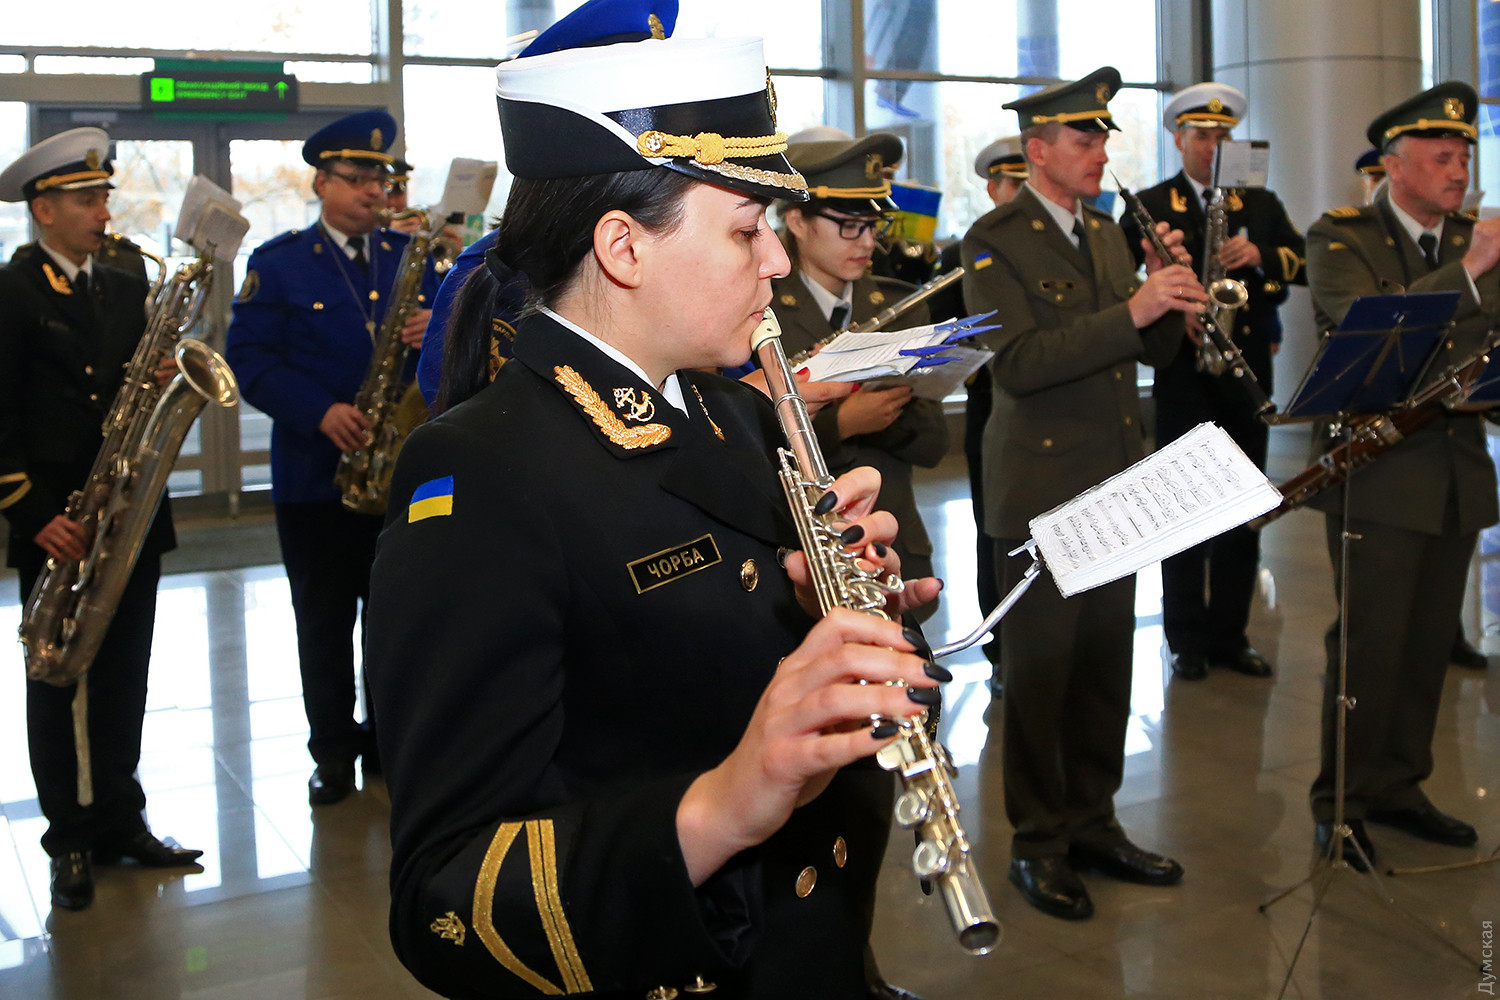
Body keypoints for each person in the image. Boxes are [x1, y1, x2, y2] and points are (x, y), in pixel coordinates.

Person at [365, 3, 947, 997]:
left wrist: (837, 614)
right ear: (623, 247)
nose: (776, 261)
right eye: (748, 229)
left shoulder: (736, 411)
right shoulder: (478, 474)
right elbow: (446, 901)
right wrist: (722, 806)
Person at [961, 66, 1202, 920]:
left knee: (1104, 669)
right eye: (1083, 137)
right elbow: (1020, 364)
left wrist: (1171, 302)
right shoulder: (992, 240)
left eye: (1103, 137)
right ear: (1038, 150)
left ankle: (1095, 821)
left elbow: (1148, 356)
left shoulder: (1104, 233)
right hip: (1041, 489)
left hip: (1113, 482)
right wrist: (1135, 310)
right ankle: (1038, 843)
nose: (1101, 152)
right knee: (1041, 677)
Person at [0, 128, 203, 912]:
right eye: (86, 199)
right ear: (44, 209)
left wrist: (162, 377)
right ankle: (69, 839)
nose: (103, 212)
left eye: (105, 196)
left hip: (129, 512)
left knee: (125, 674)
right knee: (57, 674)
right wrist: (31, 513)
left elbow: (135, 386)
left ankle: (122, 817)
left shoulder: (124, 279)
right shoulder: (12, 290)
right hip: (61, 517)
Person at [1303, 81, 1494, 869]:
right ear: (1393, 165)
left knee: (1426, 647)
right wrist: (1472, 273)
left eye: (1464, 156)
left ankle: (1400, 785)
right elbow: (1366, 331)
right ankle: (1341, 805)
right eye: (1442, 156)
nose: (1459, 170)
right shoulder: (1341, 236)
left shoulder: (1467, 240)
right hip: (1377, 474)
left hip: (1455, 472)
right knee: (1370, 647)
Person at [224, 109, 439, 807]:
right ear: (321, 182)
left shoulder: (413, 258)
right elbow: (250, 361)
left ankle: (386, 743)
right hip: (316, 478)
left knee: (394, 622)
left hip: (399, 477)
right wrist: (319, 411)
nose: (375, 191)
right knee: (322, 623)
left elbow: (458, 357)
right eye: (357, 178)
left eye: (381, 178)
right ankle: (332, 753)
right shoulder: (278, 263)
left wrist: (438, 327)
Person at [1118, 82, 1306, 682]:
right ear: (1178, 139)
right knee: (1179, 507)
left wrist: (1261, 255)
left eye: (1223, 135)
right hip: (1182, 374)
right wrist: (1165, 304)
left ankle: (1231, 634)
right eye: (1201, 135)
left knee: (1244, 506)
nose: (1213, 145)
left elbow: (1302, 260)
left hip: (1245, 374)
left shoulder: (1260, 202)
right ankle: (1186, 638)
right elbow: (1117, 281)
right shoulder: (1151, 202)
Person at [770, 130, 949, 593]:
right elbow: (750, 445)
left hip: (891, 543)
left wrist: (881, 415)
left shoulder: (902, 309)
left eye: (874, 225)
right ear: (798, 221)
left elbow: (934, 445)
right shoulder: (760, 312)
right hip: (798, 552)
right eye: (850, 225)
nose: (867, 241)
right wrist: (842, 424)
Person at [928, 135, 1027, 692]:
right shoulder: (961, 255)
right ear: (992, 188)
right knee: (995, 529)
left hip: (1048, 409)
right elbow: (944, 336)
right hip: (992, 404)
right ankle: (1001, 645)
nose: (1021, 195)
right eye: (1013, 184)